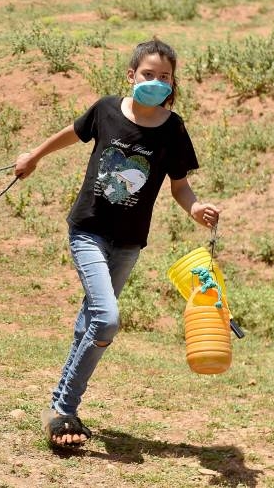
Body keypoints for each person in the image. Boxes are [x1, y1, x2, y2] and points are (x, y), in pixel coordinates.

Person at [13, 38, 220, 449]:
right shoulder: (107, 109)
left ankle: (60, 408)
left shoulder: (174, 130)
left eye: (165, 77)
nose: (156, 82)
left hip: (129, 243)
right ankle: (63, 408)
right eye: (148, 74)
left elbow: (180, 187)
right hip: (88, 229)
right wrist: (33, 156)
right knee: (105, 319)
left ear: (173, 83)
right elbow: (70, 134)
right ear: (131, 75)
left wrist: (195, 209)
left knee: (90, 321)